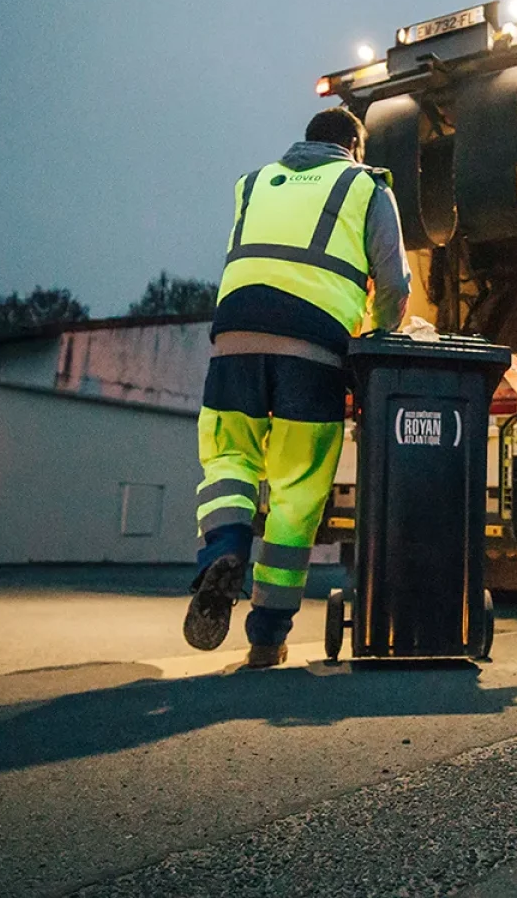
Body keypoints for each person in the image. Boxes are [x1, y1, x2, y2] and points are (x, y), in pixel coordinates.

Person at [185, 107, 409, 667]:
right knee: (296, 495)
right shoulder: (364, 184)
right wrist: (381, 338)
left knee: (229, 462)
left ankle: (224, 548)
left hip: (233, 339)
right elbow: (395, 281)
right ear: (354, 146)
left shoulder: (254, 182)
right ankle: (266, 637)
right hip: (311, 352)